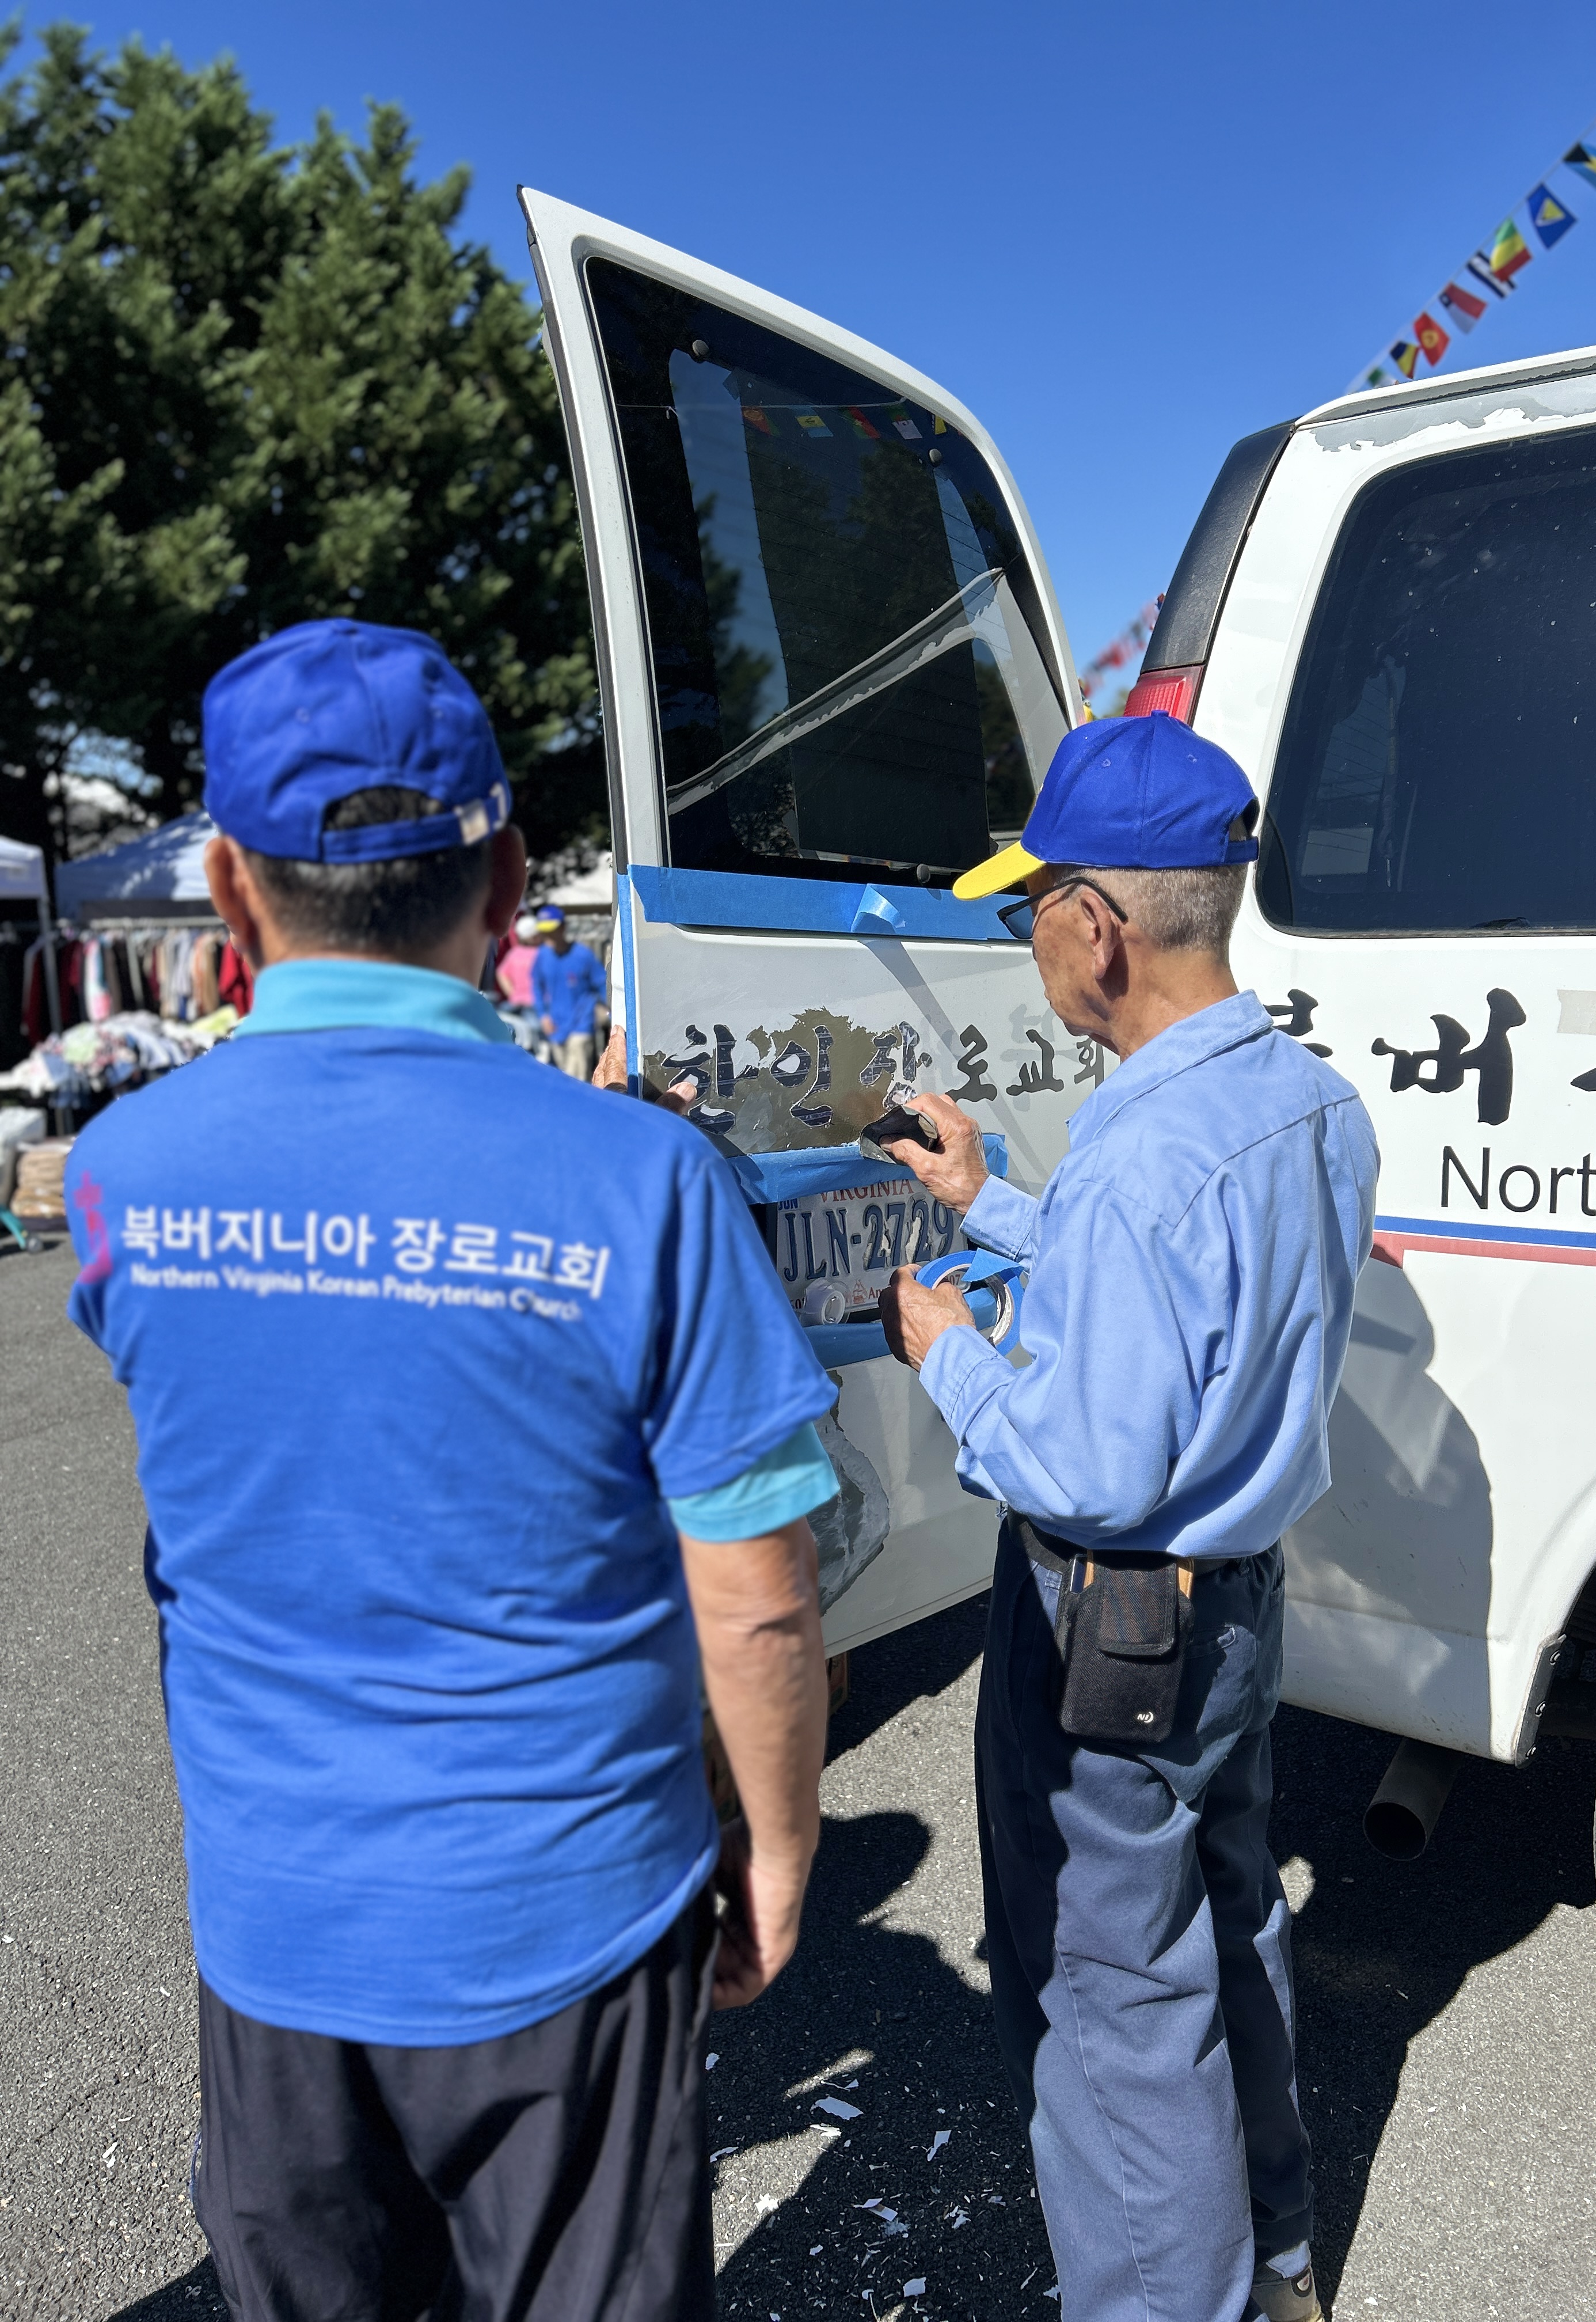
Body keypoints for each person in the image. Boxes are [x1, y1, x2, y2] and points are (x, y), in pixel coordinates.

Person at [63, 617, 841, 2322]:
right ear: (502, 879)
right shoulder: (644, 1182)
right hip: (572, 1913)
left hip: (279, 1919)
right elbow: (760, 1600)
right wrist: (781, 1848)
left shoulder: (121, 1177)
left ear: (228, 888)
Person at [878, 715, 1378, 2322]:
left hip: (1114, 1630)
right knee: (1231, 1926)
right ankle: (1276, 2257)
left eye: (1032, 906)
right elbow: (1180, 1299)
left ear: (1096, 926)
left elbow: (1086, 1460)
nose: (1028, 939)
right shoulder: (1309, 1102)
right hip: (1232, 1608)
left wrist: (946, 1353)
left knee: (1114, 2012)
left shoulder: (1142, 1154)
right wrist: (993, 1204)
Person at [533, 903, 606, 1077]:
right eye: (545, 932)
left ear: (563, 928)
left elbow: (602, 984)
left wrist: (614, 1013)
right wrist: (543, 1015)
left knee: (577, 1079)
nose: (548, 936)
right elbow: (537, 986)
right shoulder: (543, 956)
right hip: (555, 1026)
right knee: (563, 1078)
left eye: (552, 931)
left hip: (581, 1024)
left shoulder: (583, 955)